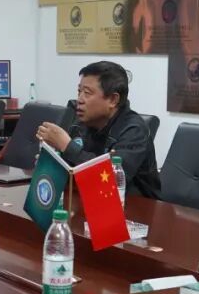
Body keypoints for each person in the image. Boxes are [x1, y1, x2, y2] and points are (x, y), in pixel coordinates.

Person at [35, 61, 161, 198]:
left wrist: (67, 147)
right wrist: (51, 162)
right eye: (79, 91)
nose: (79, 99)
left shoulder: (134, 130)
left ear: (113, 100)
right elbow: (71, 169)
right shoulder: (80, 124)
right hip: (90, 198)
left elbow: (111, 180)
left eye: (87, 93)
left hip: (136, 206)